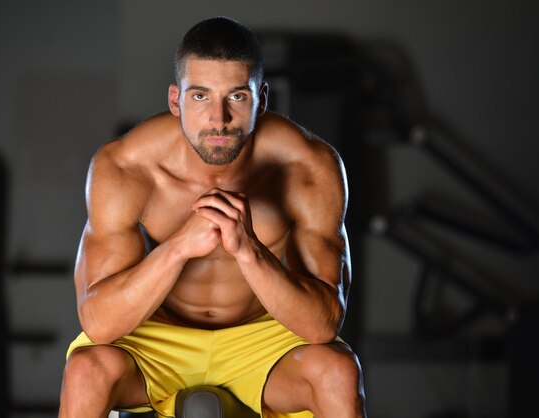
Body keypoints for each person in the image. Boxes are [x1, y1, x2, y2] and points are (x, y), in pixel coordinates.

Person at [59, 16, 366, 418]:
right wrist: (177, 248)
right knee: (86, 370)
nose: (218, 119)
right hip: (158, 340)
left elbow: (324, 324)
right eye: (200, 96)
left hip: (262, 341)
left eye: (237, 96)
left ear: (263, 99)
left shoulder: (308, 167)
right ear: (175, 100)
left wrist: (249, 250)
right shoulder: (126, 167)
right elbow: (99, 323)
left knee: (338, 373)